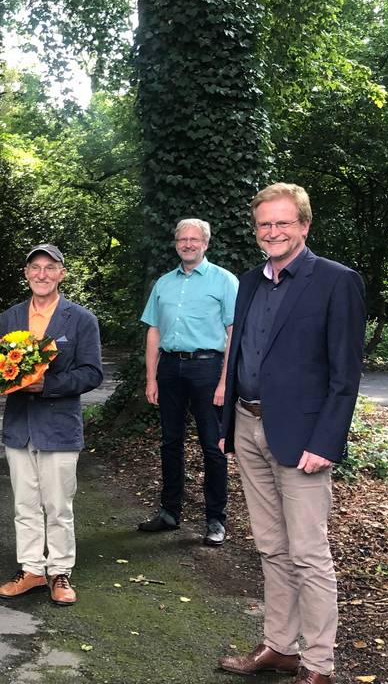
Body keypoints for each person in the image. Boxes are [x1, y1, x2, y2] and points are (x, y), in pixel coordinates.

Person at [216, 183, 365, 684]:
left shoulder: (335, 281)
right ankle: (280, 646)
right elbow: (237, 357)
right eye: (264, 224)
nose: (273, 232)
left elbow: (346, 374)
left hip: (302, 439)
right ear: (256, 231)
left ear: (304, 225)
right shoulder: (250, 282)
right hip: (247, 424)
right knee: (270, 547)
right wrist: (226, 427)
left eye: (283, 223)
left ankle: (319, 664)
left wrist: (326, 442)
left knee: (308, 553)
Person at [0, 244, 103, 607]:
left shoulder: (81, 319)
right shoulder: (10, 318)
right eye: (35, 268)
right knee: (25, 503)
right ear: (26, 274)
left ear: (62, 273)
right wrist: (0, 380)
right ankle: (31, 570)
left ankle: (59, 572)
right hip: (19, 424)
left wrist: (48, 385)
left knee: (57, 504)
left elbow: (92, 373)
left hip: (58, 425)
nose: (42, 274)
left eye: (50, 267)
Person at [137, 218, 238, 546]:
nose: (189, 244)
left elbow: (233, 333)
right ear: (176, 242)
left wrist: (226, 381)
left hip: (209, 369)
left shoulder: (224, 281)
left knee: (213, 445)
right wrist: (151, 378)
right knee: (170, 443)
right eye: (183, 239)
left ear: (206, 243)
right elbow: (153, 331)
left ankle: (215, 520)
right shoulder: (164, 284)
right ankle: (169, 512)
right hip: (170, 369)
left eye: (195, 239)